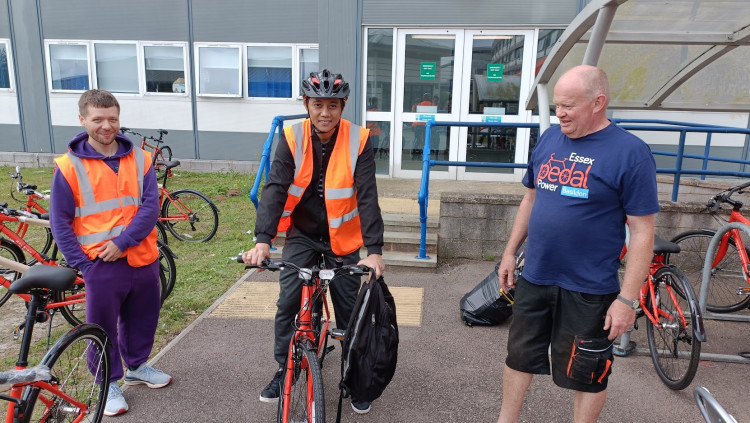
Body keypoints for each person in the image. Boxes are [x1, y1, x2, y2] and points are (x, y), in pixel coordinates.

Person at [495, 65, 659, 423]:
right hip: (536, 276)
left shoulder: (631, 153)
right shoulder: (550, 140)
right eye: (557, 106)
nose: (560, 114)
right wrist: (509, 253)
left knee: (589, 371)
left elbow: (643, 231)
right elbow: (530, 199)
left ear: (598, 102)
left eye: (568, 106)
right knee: (518, 356)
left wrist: (627, 300)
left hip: (589, 288)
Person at [241, 69, 385, 414]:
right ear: (306, 104)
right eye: (317, 104)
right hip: (302, 234)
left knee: (351, 310)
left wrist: (375, 251)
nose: (325, 112)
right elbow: (275, 188)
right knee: (289, 300)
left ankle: (355, 376)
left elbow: (367, 195)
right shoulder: (291, 138)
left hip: (343, 238)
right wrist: (263, 241)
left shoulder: (359, 139)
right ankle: (283, 368)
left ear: (343, 105)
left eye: (332, 105)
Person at [50, 89, 172, 417]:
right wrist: (82, 265)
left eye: (113, 119)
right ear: (82, 120)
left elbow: (150, 207)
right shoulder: (69, 166)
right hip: (98, 265)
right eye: (98, 119)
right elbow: (60, 221)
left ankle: (136, 366)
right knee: (102, 325)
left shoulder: (141, 159)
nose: (107, 125)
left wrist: (124, 242)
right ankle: (108, 380)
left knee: (143, 316)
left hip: (141, 257)